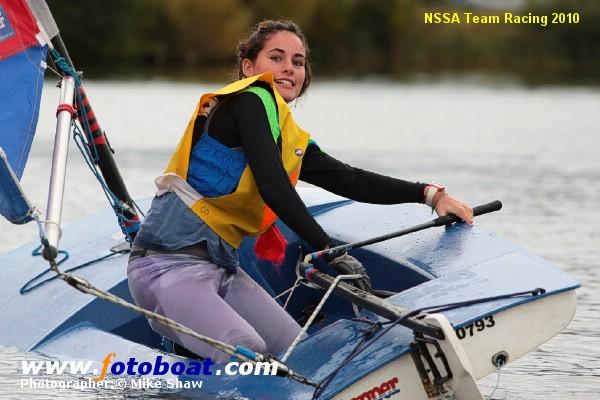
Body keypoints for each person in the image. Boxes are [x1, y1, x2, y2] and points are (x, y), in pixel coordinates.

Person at [127, 20, 473, 364]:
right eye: (276, 57)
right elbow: (274, 186)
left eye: (298, 61)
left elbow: (348, 179)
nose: (289, 68)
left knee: (300, 351)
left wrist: (430, 194)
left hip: (221, 269)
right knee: (249, 349)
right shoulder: (249, 100)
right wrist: (329, 249)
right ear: (249, 67)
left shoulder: (286, 134)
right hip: (164, 269)